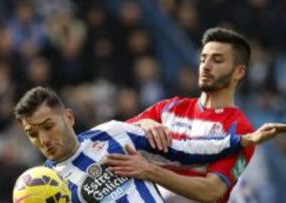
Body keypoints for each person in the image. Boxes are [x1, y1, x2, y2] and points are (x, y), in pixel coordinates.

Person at [13, 86, 286, 203]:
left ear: (69, 117)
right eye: (32, 134)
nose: (44, 140)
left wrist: (242, 140)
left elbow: (185, 150)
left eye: (48, 126)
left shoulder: (113, 134)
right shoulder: (46, 186)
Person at [107, 27, 272, 202]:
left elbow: (211, 192)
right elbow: (117, 138)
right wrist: (145, 123)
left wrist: (149, 170)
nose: (206, 66)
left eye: (217, 60)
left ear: (239, 72)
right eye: (203, 59)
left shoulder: (240, 130)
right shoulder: (169, 107)